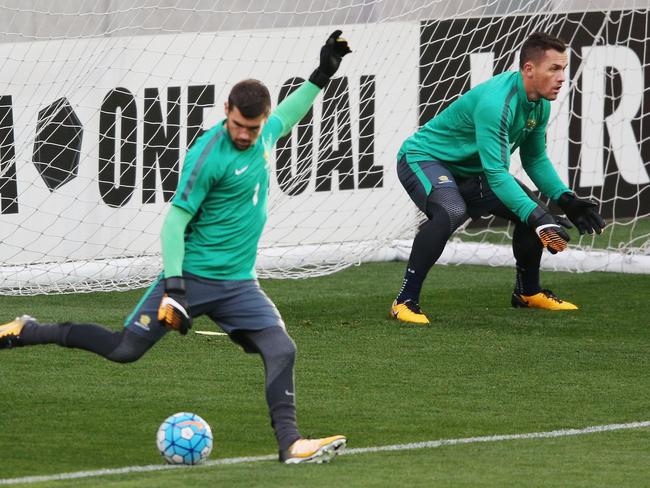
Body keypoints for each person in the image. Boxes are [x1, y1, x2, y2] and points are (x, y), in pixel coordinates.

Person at [0, 30, 351, 464]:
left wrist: (322, 74)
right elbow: (176, 220)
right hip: (192, 278)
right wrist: (175, 286)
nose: (244, 135)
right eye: (238, 125)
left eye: (253, 128)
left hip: (239, 284)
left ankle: (290, 444)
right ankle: (28, 331)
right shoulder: (208, 155)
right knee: (124, 350)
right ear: (227, 112)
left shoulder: (262, 135)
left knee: (282, 348)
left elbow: (289, 114)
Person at [390, 31, 606, 325]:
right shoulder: (497, 103)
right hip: (425, 160)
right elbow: (496, 173)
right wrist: (539, 216)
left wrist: (566, 199)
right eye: (554, 68)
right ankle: (404, 301)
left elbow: (534, 159)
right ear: (529, 69)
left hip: (472, 171)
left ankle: (527, 293)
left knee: (528, 207)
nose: (561, 77)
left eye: (563, 69)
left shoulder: (539, 103)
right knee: (453, 211)